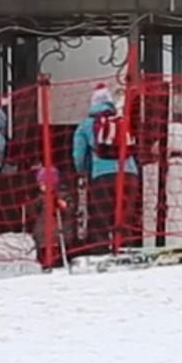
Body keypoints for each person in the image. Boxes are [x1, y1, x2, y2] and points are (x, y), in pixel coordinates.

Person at [69, 84, 140, 252]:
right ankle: (126, 250)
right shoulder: (122, 121)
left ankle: (101, 254)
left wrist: (83, 171)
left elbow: (78, 155)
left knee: (101, 218)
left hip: (102, 176)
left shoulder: (86, 125)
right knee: (125, 218)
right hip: (129, 174)